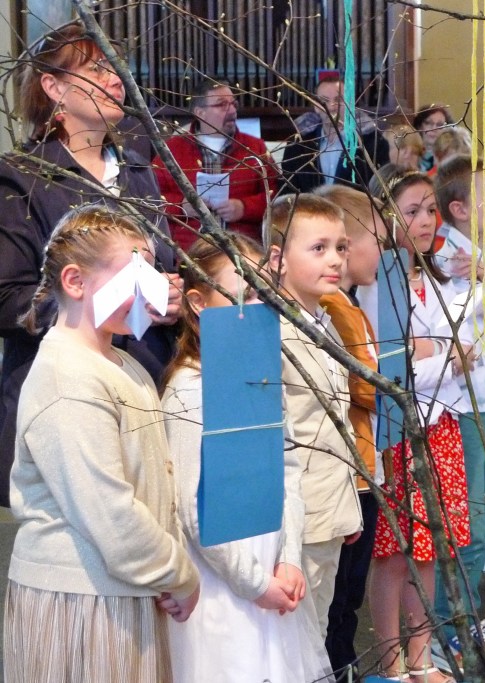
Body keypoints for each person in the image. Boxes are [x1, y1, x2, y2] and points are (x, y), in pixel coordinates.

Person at [4, 205, 200, 682]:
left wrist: (164, 568)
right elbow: (110, 513)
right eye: (137, 274)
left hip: (123, 589)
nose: (152, 289)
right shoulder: (68, 378)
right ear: (75, 281)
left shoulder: (123, 364)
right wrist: (178, 573)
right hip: (83, 602)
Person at [0, 20, 181, 508]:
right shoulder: (23, 178)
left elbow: (165, 264)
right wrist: (105, 304)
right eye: (97, 68)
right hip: (69, 393)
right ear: (54, 87)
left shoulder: (139, 170)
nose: (115, 78)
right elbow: (7, 301)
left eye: (117, 68)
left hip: (146, 382)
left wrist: (173, 297)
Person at [162, 235, 333, 682]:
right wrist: (256, 584)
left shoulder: (261, 376)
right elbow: (192, 508)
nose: (259, 306)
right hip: (224, 584)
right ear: (198, 303)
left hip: (272, 565)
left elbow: (287, 468)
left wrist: (289, 558)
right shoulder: (189, 390)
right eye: (245, 293)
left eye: (263, 293)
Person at [368, 166, 472, 683]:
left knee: (432, 547)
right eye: (412, 211)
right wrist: (446, 356)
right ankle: (390, 663)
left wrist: (438, 352)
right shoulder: (378, 283)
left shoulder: (435, 279)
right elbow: (390, 367)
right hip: (396, 429)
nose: (427, 220)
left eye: (431, 209)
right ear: (383, 218)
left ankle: (421, 656)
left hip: (439, 424)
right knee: (394, 552)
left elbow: (458, 346)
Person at [265, 194, 364, 638]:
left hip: (330, 513)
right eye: (319, 248)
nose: (335, 260)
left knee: (315, 635)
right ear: (278, 260)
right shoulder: (271, 331)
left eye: (341, 247)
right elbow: (279, 441)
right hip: (297, 523)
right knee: (293, 641)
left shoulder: (325, 321)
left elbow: (335, 423)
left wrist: (347, 509)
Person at [429, 155, 485, 669]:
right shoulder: (443, 259)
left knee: (484, 519)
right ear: (459, 210)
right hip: (462, 405)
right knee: (467, 521)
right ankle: (448, 624)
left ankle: (463, 615)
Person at [314, 183, 386, 677]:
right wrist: (397, 383)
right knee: (338, 598)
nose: (384, 250)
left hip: (361, 464)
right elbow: (366, 384)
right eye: (376, 240)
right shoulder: (336, 306)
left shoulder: (350, 303)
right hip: (349, 470)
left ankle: (342, 664)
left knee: (346, 597)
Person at [152, 77, 280, 249]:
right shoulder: (171, 150)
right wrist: (181, 206)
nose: (232, 110)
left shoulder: (255, 148)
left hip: (244, 248)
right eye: (222, 105)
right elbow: (150, 197)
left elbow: (276, 197)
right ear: (200, 112)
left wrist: (244, 208)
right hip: (188, 251)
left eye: (233, 104)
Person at [279, 73, 390, 194]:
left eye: (339, 100)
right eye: (324, 101)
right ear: (316, 106)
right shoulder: (298, 145)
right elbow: (287, 192)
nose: (331, 107)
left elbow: (380, 191)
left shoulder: (373, 143)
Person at [413, 105, 454, 173]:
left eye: (440, 124)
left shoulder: (451, 158)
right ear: (419, 126)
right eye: (428, 123)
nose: (434, 128)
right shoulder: (409, 155)